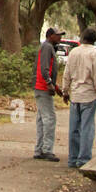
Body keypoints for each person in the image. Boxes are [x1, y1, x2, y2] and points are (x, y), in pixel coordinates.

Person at [61, 26, 96, 168]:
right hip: (89, 95)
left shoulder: (74, 52)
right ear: (95, 40)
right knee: (87, 127)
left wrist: (65, 91)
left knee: (74, 128)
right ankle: (83, 159)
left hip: (75, 95)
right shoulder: (95, 55)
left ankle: (73, 158)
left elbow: (67, 73)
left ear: (82, 38)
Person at [33, 26, 64, 161]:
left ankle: (39, 149)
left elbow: (46, 68)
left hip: (41, 86)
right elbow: (44, 67)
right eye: (58, 35)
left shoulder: (47, 47)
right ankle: (47, 150)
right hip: (43, 87)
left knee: (41, 119)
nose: (60, 38)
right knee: (49, 118)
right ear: (50, 35)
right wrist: (49, 83)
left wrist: (55, 86)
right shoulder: (47, 47)